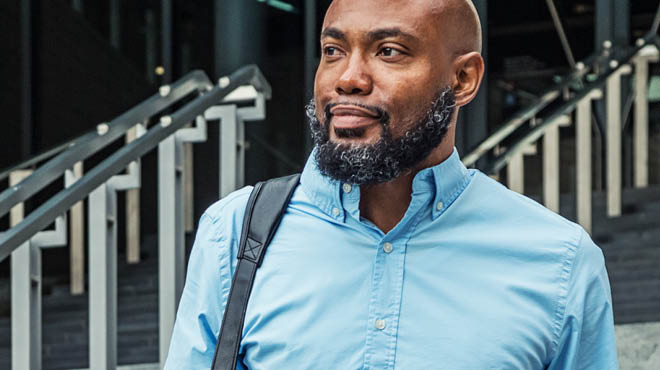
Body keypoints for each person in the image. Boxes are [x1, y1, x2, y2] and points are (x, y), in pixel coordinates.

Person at [165, 0, 619, 368]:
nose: (348, 79)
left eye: (389, 52)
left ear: (463, 79)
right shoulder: (234, 232)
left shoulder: (561, 262)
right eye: (333, 50)